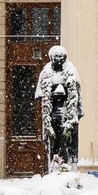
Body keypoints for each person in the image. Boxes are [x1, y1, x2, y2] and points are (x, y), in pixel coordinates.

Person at [36, 44, 82, 172]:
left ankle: (66, 167)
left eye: (60, 57)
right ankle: (54, 166)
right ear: (51, 58)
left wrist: (78, 112)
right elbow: (39, 94)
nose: (58, 60)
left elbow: (78, 95)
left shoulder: (71, 72)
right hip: (52, 114)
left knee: (66, 143)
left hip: (67, 113)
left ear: (64, 58)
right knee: (53, 143)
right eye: (56, 57)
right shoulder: (45, 73)